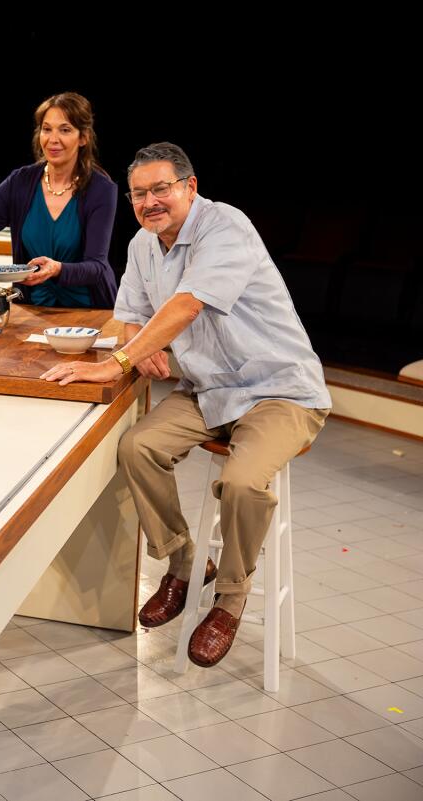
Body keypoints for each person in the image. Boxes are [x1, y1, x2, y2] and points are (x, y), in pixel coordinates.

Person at [41, 142, 330, 667]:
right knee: (137, 446)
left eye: (161, 189)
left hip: (279, 390)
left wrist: (123, 359)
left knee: (241, 482)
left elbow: (187, 304)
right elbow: (129, 313)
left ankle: (231, 599)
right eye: (138, 194)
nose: (150, 201)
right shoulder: (143, 246)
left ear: (189, 188)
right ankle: (183, 563)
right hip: (207, 389)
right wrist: (139, 343)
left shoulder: (226, 227)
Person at [0, 92, 118, 308]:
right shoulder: (19, 183)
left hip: (89, 309)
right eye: (47, 129)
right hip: (32, 309)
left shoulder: (101, 190)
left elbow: (96, 267)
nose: (53, 139)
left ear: (83, 138)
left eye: (65, 130)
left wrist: (57, 269)